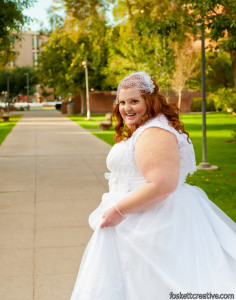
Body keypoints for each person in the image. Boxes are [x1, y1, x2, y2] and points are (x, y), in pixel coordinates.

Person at [70, 71, 236, 300]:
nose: (126, 108)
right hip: (138, 215)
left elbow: (162, 185)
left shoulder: (154, 132)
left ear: (150, 101)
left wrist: (118, 211)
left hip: (153, 221)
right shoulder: (146, 128)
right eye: (123, 102)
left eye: (134, 101)